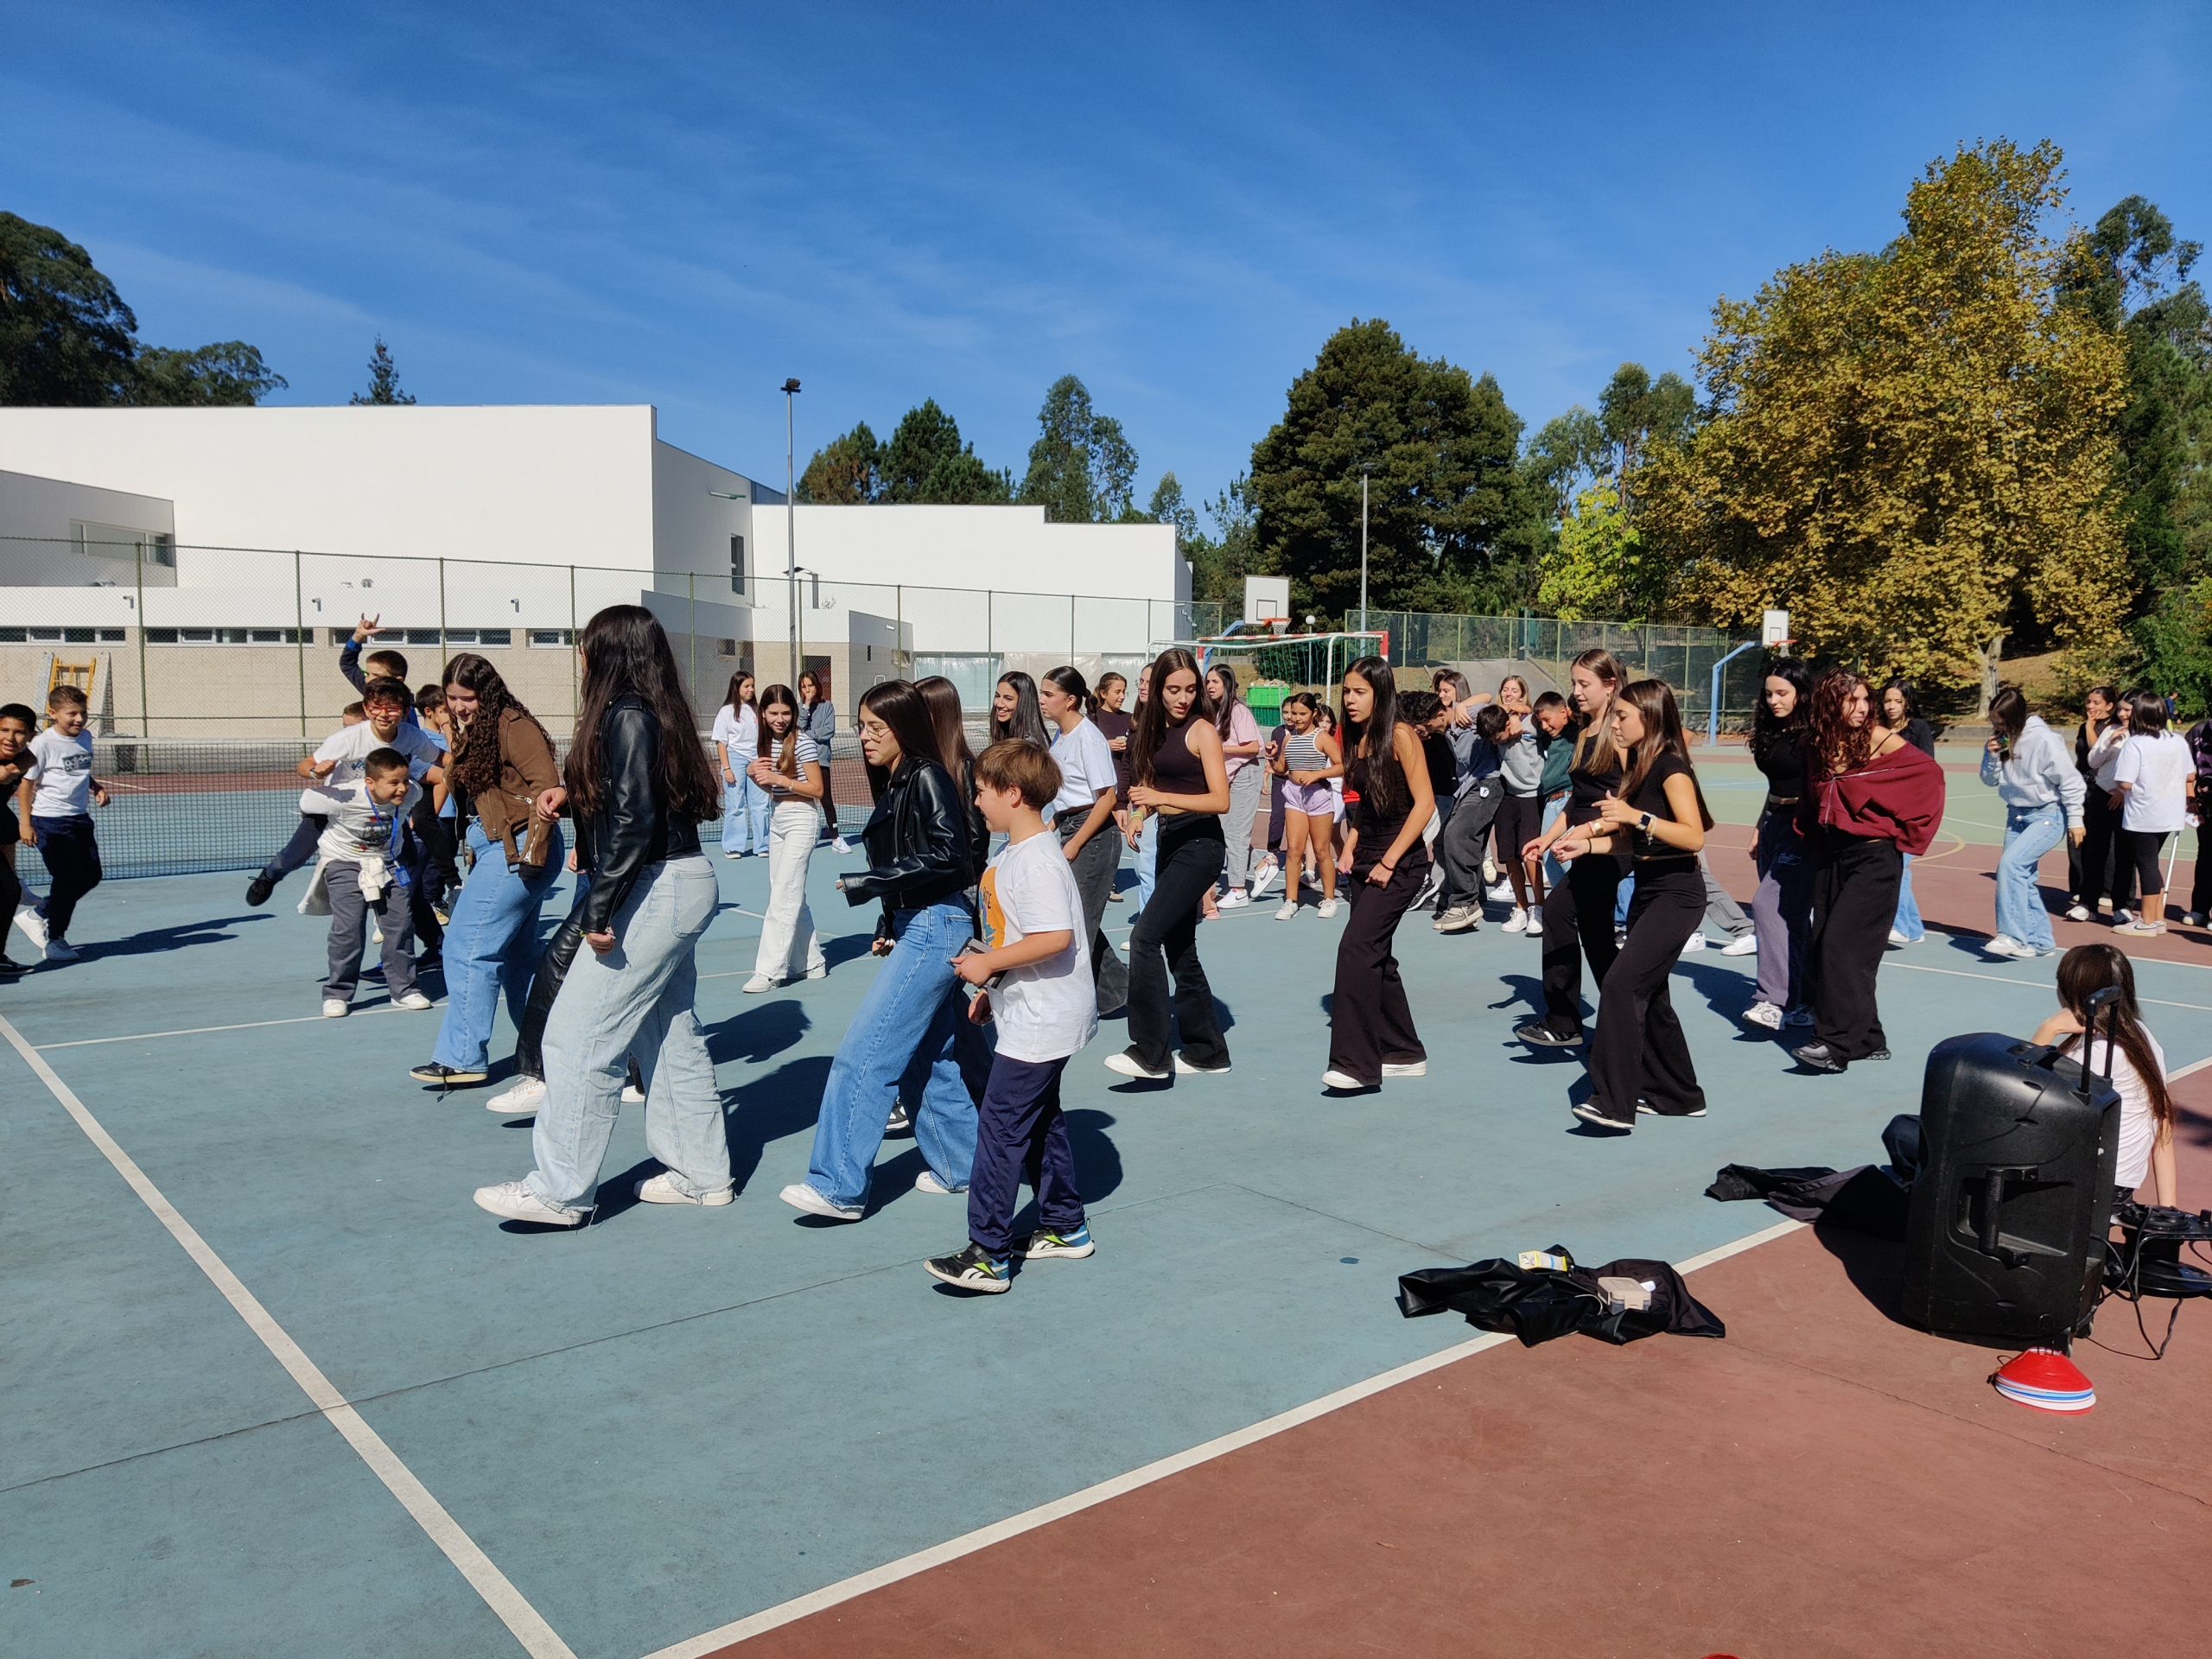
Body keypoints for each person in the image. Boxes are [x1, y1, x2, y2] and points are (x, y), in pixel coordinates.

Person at [473, 604, 731, 1225]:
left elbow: (637, 821)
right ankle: (702, 1174)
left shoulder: (628, 714)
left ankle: (561, 1191)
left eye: (585, 645)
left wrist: (597, 908)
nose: (579, 656)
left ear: (608, 652)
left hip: (657, 885)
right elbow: (628, 798)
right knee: (666, 1033)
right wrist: (573, 794)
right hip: (672, 880)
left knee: (577, 1038)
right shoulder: (648, 712)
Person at [781, 680, 979, 1221]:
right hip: (921, 922)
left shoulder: (927, 775)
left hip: (937, 925)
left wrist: (874, 882)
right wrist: (889, 915)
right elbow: (914, 856)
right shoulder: (895, 781)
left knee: (865, 1054)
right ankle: (964, 1166)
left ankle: (839, 1185)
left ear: (905, 728)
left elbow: (952, 857)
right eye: (861, 726)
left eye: (876, 728)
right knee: (926, 1054)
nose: (865, 737)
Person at [926, 739, 1100, 1292]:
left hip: (1044, 1020)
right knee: (1041, 1120)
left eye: (981, 792)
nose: (976, 802)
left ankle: (988, 1253)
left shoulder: (1039, 861)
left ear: (1014, 794)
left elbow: (1056, 937)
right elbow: (1014, 934)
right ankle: (1064, 1224)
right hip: (1030, 1012)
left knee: (1000, 1129)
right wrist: (992, 987)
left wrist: (990, 966)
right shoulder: (1013, 855)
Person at [1548, 680, 1712, 1131]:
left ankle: (1615, 1101)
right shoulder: (1639, 764)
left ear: (1649, 718)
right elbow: (1632, 841)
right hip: (1649, 888)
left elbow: (1692, 836)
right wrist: (1589, 845)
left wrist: (1635, 816)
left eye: (1622, 716)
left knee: (1621, 985)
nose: (1614, 723)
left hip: (1678, 893)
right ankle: (1679, 1094)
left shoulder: (1671, 768)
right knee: (1652, 997)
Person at [409, 655, 564, 1087]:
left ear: (488, 692)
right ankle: (552, 1050)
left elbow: (547, 788)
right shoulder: (469, 732)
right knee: (520, 961)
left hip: (518, 850)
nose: (459, 706)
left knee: (465, 947)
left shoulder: (515, 726)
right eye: (452, 699)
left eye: (467, 697)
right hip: (493, 847)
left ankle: (462, 1058)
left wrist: (531, 855)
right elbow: (454, 781)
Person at [1792, 671, 1945, 1073]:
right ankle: (1868, 1038)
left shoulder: (1880, 738)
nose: (1861, 708)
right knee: (1829, 944)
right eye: (1851, 701)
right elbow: (1813, 793)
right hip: (1831, 854)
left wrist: (1900, 830)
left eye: (1865, 700)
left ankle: (1834, 1044)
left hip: (1875, 858)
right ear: (1830, 705)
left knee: (1840, 947)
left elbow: (1929, 777)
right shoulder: (1816, 742)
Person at [1108, 648, 1232, 1082]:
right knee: (1180, 951)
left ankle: (1150, 1053)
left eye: (1190, 689)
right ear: (1157, 690)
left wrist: (1160, 800)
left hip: (1201, 847)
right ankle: (1208, 1051)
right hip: (1170, 842)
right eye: (1173, 689)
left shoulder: (1202, 730)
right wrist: (1141, 814)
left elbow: (1221, 800)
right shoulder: (1152, 729)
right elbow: (1150, 783)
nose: (1183, 698)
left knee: (1144, 937)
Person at [1323, 657, 1436, 1090]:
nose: (1350, 700)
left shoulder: (1402, 735)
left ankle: (1356, 1065)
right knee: (1377, 957)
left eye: (1359, 692)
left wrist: (1390, 861)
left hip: (1401, 861)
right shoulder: (1356, 737)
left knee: (1356, 948)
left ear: (1381, 693)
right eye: (1347, 691)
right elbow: (1368, 801)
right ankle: (1404, 1051)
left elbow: (1424, 805)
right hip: (1366, 857)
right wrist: (1350, 845)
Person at [245, 626, 415, 908]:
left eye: (373, 675)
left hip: (383, 801)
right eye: (367, 678)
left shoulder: (407, 720)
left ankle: (411, 922)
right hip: (343, 800)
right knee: (298, 851)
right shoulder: (357, 729)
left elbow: (428, 759)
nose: (367, 679)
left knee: (406, 860)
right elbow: (348, 666)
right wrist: (358, 637)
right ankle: (271, 875)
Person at [1516, 651, 1628, 1046]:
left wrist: (1591, 836)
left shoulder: (1621, 730)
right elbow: (1576, 799)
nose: (1576, 692)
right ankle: (1625, 1014)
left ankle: (1564, 1020)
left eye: (1585, 684)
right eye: (1574, 683)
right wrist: (1548, 838)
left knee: (1560, 911)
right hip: (1583, 839)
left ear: (1610, 685)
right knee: (1596, 935)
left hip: (1611, 845)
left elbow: (1628, 803)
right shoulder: (1584, 729)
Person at [2031, 944, 2177, 1207]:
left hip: (2089, 1182)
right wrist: (2169, 1209)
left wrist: (2048, 1029)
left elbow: (2026, 1094)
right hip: (2121, 1180)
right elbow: (2162, 1122)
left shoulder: (2098, 1053)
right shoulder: (2140, 1035)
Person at [297, 748, 433, 1018]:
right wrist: (317, 772)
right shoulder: (344, 797)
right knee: (348, 929)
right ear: (370, 782)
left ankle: (404, 989)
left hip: (388, 863)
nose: (402, 788)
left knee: (400, 927)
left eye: (404, 780)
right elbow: (307, 802)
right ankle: (337, 992)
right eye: (393, 783)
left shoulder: (413, 793)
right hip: (344, 863)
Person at [1039, 665, 1130, 1015]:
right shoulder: (1061, 736)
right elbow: (1068, 794)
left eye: (1049, 694)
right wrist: (1054, 824)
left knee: (1077, 924)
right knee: (1076, 918)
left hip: (1093, 835)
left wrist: (1075, 843)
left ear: (1070, 700)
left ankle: (1068, 1003)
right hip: (1069, 824)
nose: (1043, 700)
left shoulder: (1087, 737)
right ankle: (1120, 991)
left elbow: (1106, 797)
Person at [1979, 685, 2086, 960]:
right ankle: (2041, 941)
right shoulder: (2002, 740)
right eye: (1994, 723)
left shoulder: (2044, 740)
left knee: (2010, 865)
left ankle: (2011, 935)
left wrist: (2076, 820)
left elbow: (2071, 782)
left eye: (2001, 723)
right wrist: (1991, 755)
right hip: (2015, 815)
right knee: (2023, 879)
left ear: (2015, 719)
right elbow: (1989, 780)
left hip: (2046, 815)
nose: (1996, 728)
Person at [12, 683, 109, 963]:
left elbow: (78, 770)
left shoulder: (86, 737)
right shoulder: (42, 744)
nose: (79, 719)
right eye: (72, 714)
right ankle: (55, 939)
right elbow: (26, 784)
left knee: (92, 875)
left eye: (83, 713)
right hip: (49, 822)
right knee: (66, 878)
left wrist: (96, 786)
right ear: (54, 714)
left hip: (79, 818)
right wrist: (25, 823)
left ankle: (39, 913)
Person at [745, 683, 830, 990]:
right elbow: (773, 789)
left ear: (794, 713)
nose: (780, 719)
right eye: (773, 713)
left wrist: (779, 778)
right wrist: (755, 776)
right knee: (789, 891)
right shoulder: (766, 745)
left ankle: (768, 971)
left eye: (785, 713)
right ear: (763, 714)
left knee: (784, 894)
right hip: (778, 817)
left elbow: (818, 790)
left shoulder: (804, 743)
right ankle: (812, 962)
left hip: (802, 818)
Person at [1745, 658, 1815, 1030]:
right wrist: (1760, 825)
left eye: (1782, 693)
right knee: (1793, 920)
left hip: (1802, 828)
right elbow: (1776, 787)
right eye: (1769, 693)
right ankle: (1804, 1000)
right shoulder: (1771, 730)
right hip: (1773, 822)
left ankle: (1772, 1000)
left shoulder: (1815, 734)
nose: (1774, 700)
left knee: (1766, 905)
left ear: (1801, 693)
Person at [2111, 689, 2190, 938]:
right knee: (2151, 863)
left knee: (2146, 863)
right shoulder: (2177, 740)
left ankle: (2147, 920)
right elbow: (2190, 774)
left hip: (2144, 813)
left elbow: (2124, 781)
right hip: (2171, 812)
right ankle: (2156, 918)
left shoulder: (2136, 743)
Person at [1431, 702, 1510, 934]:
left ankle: (1464, 903)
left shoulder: (1469, 716)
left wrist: (1463, 705)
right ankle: (1476, 895)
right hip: (1467, 788)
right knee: (1455, 838)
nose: (1422, 730)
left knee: (1456, 835)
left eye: (1426, 725)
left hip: (1488, 782)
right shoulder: (1446, 732)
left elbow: (1493, 700)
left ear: (1439, 715)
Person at [1268, 692, 1341, 920]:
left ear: (1314, 714)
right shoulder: (1289, 738)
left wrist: (1317, 774)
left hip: (1318, 794)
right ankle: (1291, 901)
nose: (1296, 718)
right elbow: (1281, 768)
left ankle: (1329, 899)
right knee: (1294, 849)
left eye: (1302, 714)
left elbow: (1342, 766)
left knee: (1321, 849)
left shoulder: (1321, 738)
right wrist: (1272, 757)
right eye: (1293, 713)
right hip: (1294, 796)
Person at [2068, 686, 2135, 925]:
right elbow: (2093, 759)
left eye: (2129, 710)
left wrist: (2123, 790)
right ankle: (2087, 903)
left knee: (2125, 854)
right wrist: (2108, 743)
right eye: (2122, 709)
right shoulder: (2111, 730)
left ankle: (2122, 906)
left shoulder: (2147, 736)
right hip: (2100, 794)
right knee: (2094, 850)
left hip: (2128, 799)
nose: (2124, 714)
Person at [1879, 681, 1936, 946]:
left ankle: (1900, 925)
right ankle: (1913, 928)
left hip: (1910, 810)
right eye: (1887, 700)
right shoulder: (1879, 729)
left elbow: (1926, 768)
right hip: (1884, 807)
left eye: (1897, 701)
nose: (1891, 706)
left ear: (1907, 703)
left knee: (1899, 866)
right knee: (1898, 866)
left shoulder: (1919, 729)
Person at [1205, 664, 1266, 910]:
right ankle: (1263, 863)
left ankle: (1239, 889)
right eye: (1207, 682)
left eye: (1215, 682)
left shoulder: (1238, 711)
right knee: (1226, 830)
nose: (1209, 686)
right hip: (1230, 776)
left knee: (1235, 833)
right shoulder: (1217, 712)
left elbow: (1254, 746)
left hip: (1246, 773)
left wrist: (1221, 749)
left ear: (1226, 685)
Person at [711, 671, 768, 858]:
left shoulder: (757, 710)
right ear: (737, 688)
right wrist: (727, 768)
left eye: (752, 686)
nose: (751, 690)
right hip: (734, 758)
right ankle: (734, 846)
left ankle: (763, 845)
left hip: (756, 759)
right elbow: (721, 743)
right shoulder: (726, 711)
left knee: (760, 804)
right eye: (746, 686)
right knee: (735, 804)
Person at [1092, 671, 1135, 899]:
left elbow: (1129, 761)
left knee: (1113, 838)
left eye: (1124, 692)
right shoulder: (1093, 719)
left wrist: (1123, 797)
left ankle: (1109, 881)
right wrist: (1104, 745)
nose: (1121, 696)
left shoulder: (1129, 719)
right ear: (1103, 693)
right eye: (1117, 692)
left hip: (1119, 788)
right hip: (1098, 790)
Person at [798, 670, 849, 852]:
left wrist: (808, 735)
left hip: (821, 760)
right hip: (803, 760)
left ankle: (835, 837)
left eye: (810, 686)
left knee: (826, 798)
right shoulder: (801, 707)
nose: (807, 690)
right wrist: (806, 706)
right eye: (803, 687)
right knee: (804, 799)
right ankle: (805, 834)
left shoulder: (828, 706)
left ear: (817, 686)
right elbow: (798, 727)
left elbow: (828, 731)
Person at [0, 702, 33, 977]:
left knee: (10, 890)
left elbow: (30, 759)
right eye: (3, 730)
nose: (10, 738)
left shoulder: (25, 759)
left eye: (19, 732)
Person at [2183, 706, 2212, 927]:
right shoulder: (2198, 732)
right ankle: (2199, 909)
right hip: (2206, 803)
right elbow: (2186, 768)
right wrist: (2190, 798)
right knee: (2205, 856)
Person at [990, 670, 1051, 748]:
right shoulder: (1005, 733)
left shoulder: (1031, 745)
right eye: (997, 696)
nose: (999, 704)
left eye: (1008, 699)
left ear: (1024, 703)